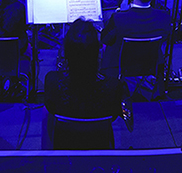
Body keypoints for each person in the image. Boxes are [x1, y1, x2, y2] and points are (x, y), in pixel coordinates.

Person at [44, 18, 126, 149]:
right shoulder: (114, 86)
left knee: (45, 117)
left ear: (67, 52)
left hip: (65, 142)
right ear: (96, 53)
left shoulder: (52, 80)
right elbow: (113, 116)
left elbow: (51, 108)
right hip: (99, 143)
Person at [101, 0, 171, 74]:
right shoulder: (164, 17)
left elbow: (105, 39)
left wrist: (121, 11)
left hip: (121, 68)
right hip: (151, 67)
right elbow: (164, 38)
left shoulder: (119, 18)